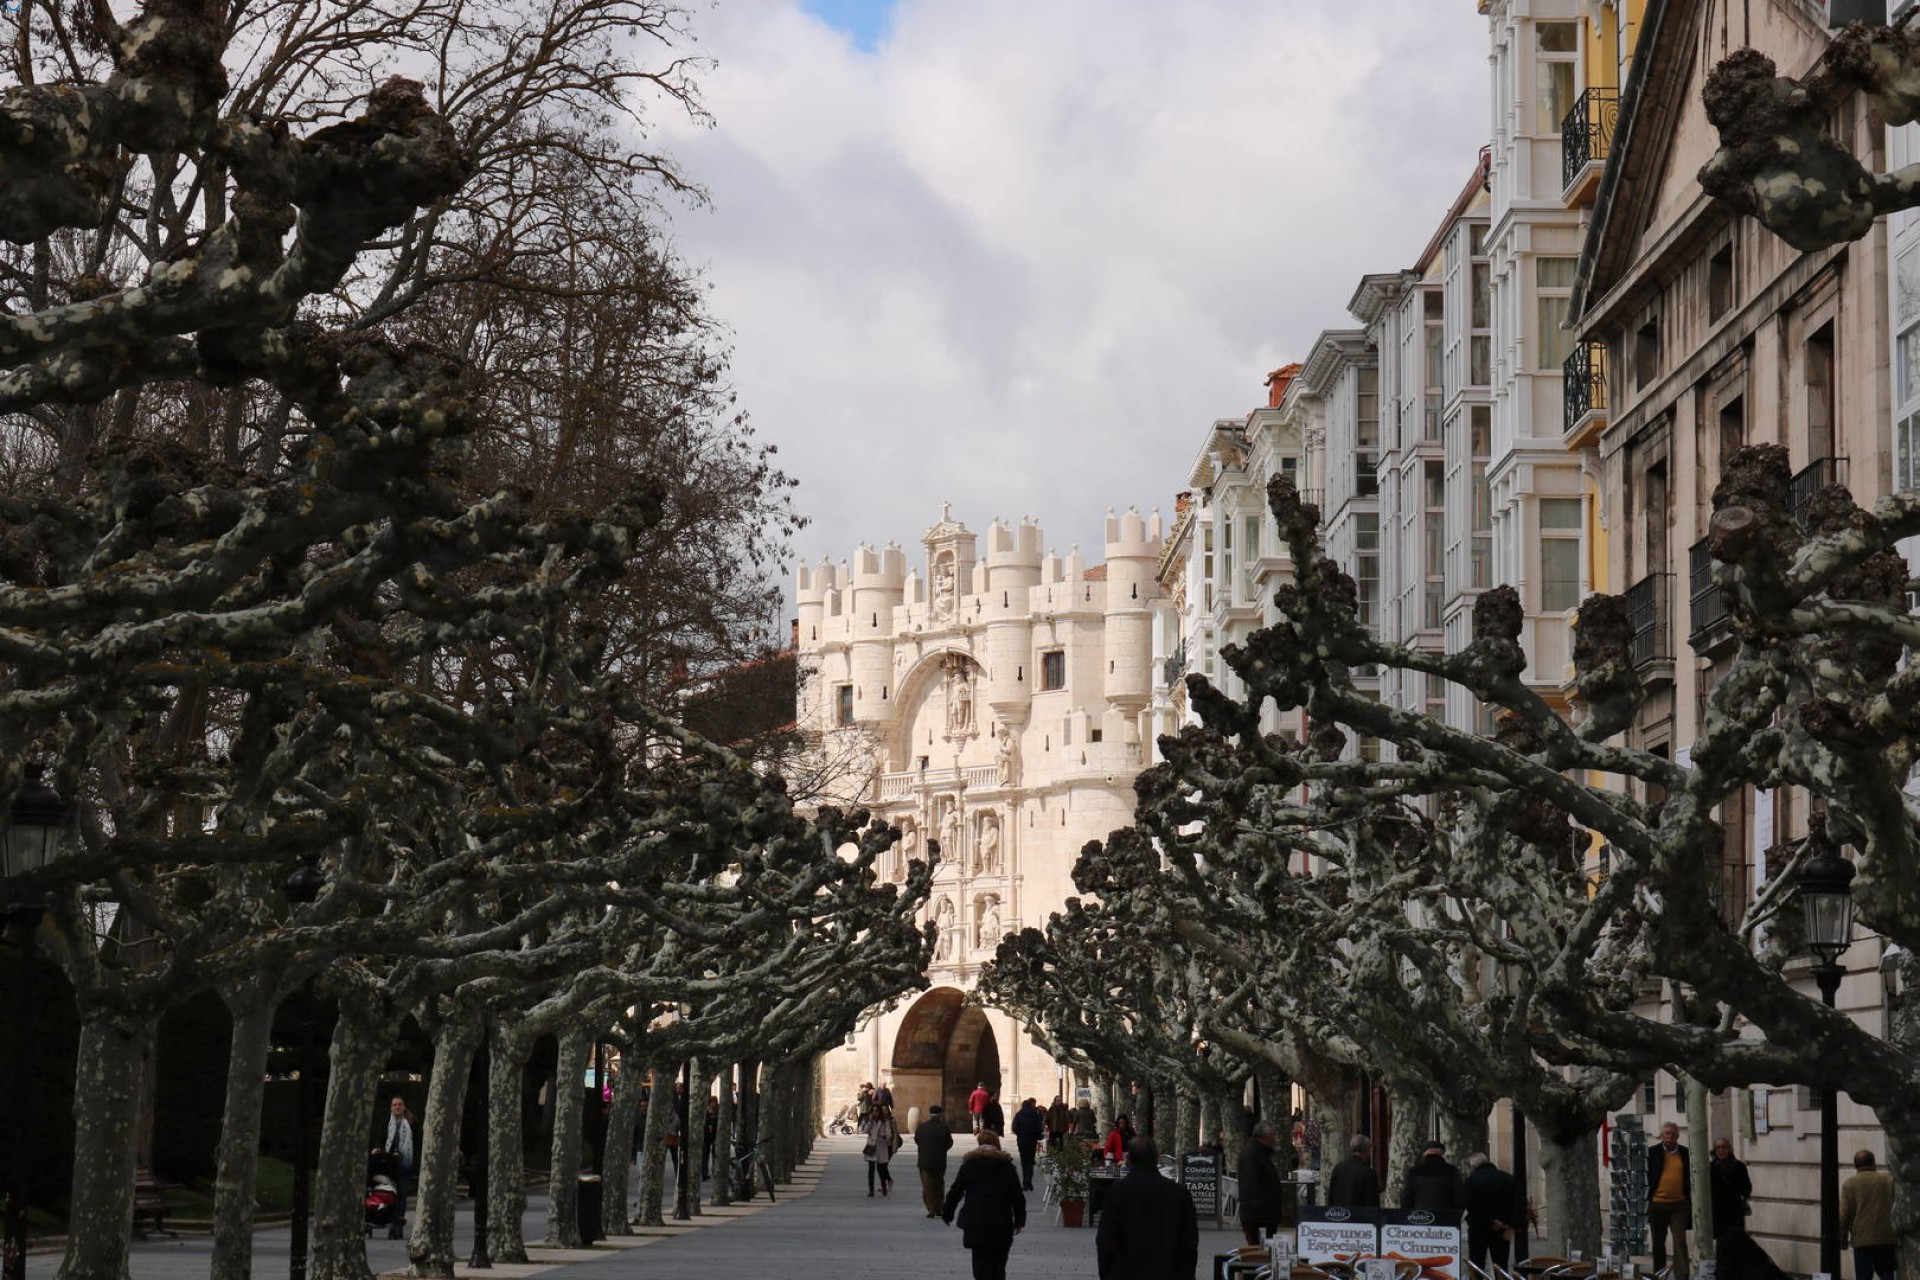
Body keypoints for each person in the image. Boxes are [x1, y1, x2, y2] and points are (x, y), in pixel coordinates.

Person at [1096, 1136, 1200, 1280]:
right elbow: (1190, 1242)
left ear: (1129, 1159)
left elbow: (1106, 1240)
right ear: (1157, 1158)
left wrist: (1107, 1273)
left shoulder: (1117, 1192)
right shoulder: (1179, 1194)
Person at [943, 1130, 1026, 1280]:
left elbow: (955, 1192)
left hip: (976, 1221)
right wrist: (1020, 1221)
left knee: (980, 1263)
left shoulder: (969, 1166)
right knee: (998, 1266)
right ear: (997, 1144)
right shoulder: (1007, 1167)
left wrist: (947, 1213)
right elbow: (1017, 1197)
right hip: (1001, 1222)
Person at [1841, 1149, 1897, 1280]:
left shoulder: (1849, 1185)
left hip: (1862, 1240)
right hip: (1885, 1237)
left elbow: (1844, 1215)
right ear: (1873, 1163)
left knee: (1863, 1276)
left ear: (1856, 1166)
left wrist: (1842, 1239)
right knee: (1887, 1273)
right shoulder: (1887, 1180)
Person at [1647, 1122, 1691, 1280]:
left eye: (1673, 1134)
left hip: (1679, 1204)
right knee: (1658, 1242)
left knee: (1679, 1240)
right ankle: (1659, 1275)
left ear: (1678, 1136)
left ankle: (1682, 1275)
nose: (1670, 1137)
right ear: (1662, 1135)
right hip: (1657, 1203)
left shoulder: (1685, 1153)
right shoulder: (1652, 1152)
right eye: (1667, 1133)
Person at [1463, 1153, 1522, 1271]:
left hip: (1479, 1227)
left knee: (1477, 1264)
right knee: (1500, 1265)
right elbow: (1518, 1204)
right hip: (1503, 1228)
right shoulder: (1508, 1178)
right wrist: (1512, 1225)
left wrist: (1491, 1220)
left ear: (1474, 1166)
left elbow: (1471, 1205)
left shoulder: (1472, 1180)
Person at [374, 1096, 417, 1239]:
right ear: (391, 1107)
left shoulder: (410, 1122)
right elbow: (380, 1139)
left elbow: (418, 1141)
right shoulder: (387, 1121)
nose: (397, 1107)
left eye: (399, 1104)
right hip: (389, 1163)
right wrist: (378, 1148)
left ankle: (398, 1220)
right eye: (394, 1105)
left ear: (404, 1107)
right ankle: (389, 1218)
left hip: (404, 1164)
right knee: (389, 1192)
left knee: (402, 1194)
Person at [1238, 1120, 1285, 1246]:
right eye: (1273, 1136)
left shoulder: (1259, 1154)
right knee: (1258, 1251)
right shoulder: (1252, 1155)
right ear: (1267, 1137)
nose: (1275, 1140)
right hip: (1259, 1216)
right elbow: (1250, 1185)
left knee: (1262, 1250)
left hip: (1263, 1215)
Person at [1709, 1137, 1753, 1244]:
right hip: (1717, 1209)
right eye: (1718, 1148)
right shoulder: (1710, 1167)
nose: (1721, 1150)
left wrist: (1741, 1196)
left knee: (1736, 1239)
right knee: (1721, 1240)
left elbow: (1747, 1187)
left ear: (1729, 1149)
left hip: (1734, 1209)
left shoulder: (1739, 1166)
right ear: (1715, 1150)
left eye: (1724, 1147)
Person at [916, 1104, 956, 1218]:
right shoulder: (944, 1128)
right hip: (939, 1161)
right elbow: (949, 1143)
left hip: (924, 1161)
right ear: (940, 1115)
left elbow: (917, 1140)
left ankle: (931, 1208)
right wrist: (941, 1150)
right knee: (938, 1185)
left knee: (927, 1186)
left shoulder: (922, 1127)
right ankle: (938, 1207)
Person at [1402, 1140, 1463, 1213]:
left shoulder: (1413, 1171)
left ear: (1424, 1153)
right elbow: (1459, 1195)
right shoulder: (1451, 1170)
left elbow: (1406, 1196)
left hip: (1419, 1216)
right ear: (1442, 1152)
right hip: (1445, 1216)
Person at [1327, 1134, 1380, 1208]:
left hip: (1339, 1216)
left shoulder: (1338, 1168)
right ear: (1366, 1149)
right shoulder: (1368, 1173)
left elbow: (1331, 1197)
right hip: (1359, 1217)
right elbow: (1372, 1202)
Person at [864, 1105, 899, 1197]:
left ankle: (884, 1188)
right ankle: (871, 1190)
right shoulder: (870, 1121)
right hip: (872, 1147)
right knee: (871, 1170)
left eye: (876, 1111)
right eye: (873, 1111)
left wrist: (885, 1136)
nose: (875, 1113)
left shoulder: (884, 1122)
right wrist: (870, 1122)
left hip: (881, 1147)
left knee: (881, 1169)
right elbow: (865, 1130)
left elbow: (889, 1134)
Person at [1012, 1098, 1046, 1191]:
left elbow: (1014, 1127)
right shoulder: (1035, 1115)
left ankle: (1025, 1182)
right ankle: (1029, 1180)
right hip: (1032, 1140)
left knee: (1024, 1162)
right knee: (1030, 1161)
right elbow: (1039, 1128)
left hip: (1022, 1141)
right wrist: (1037, 1135)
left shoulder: (1019, 1114)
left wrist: (1019, 1134)